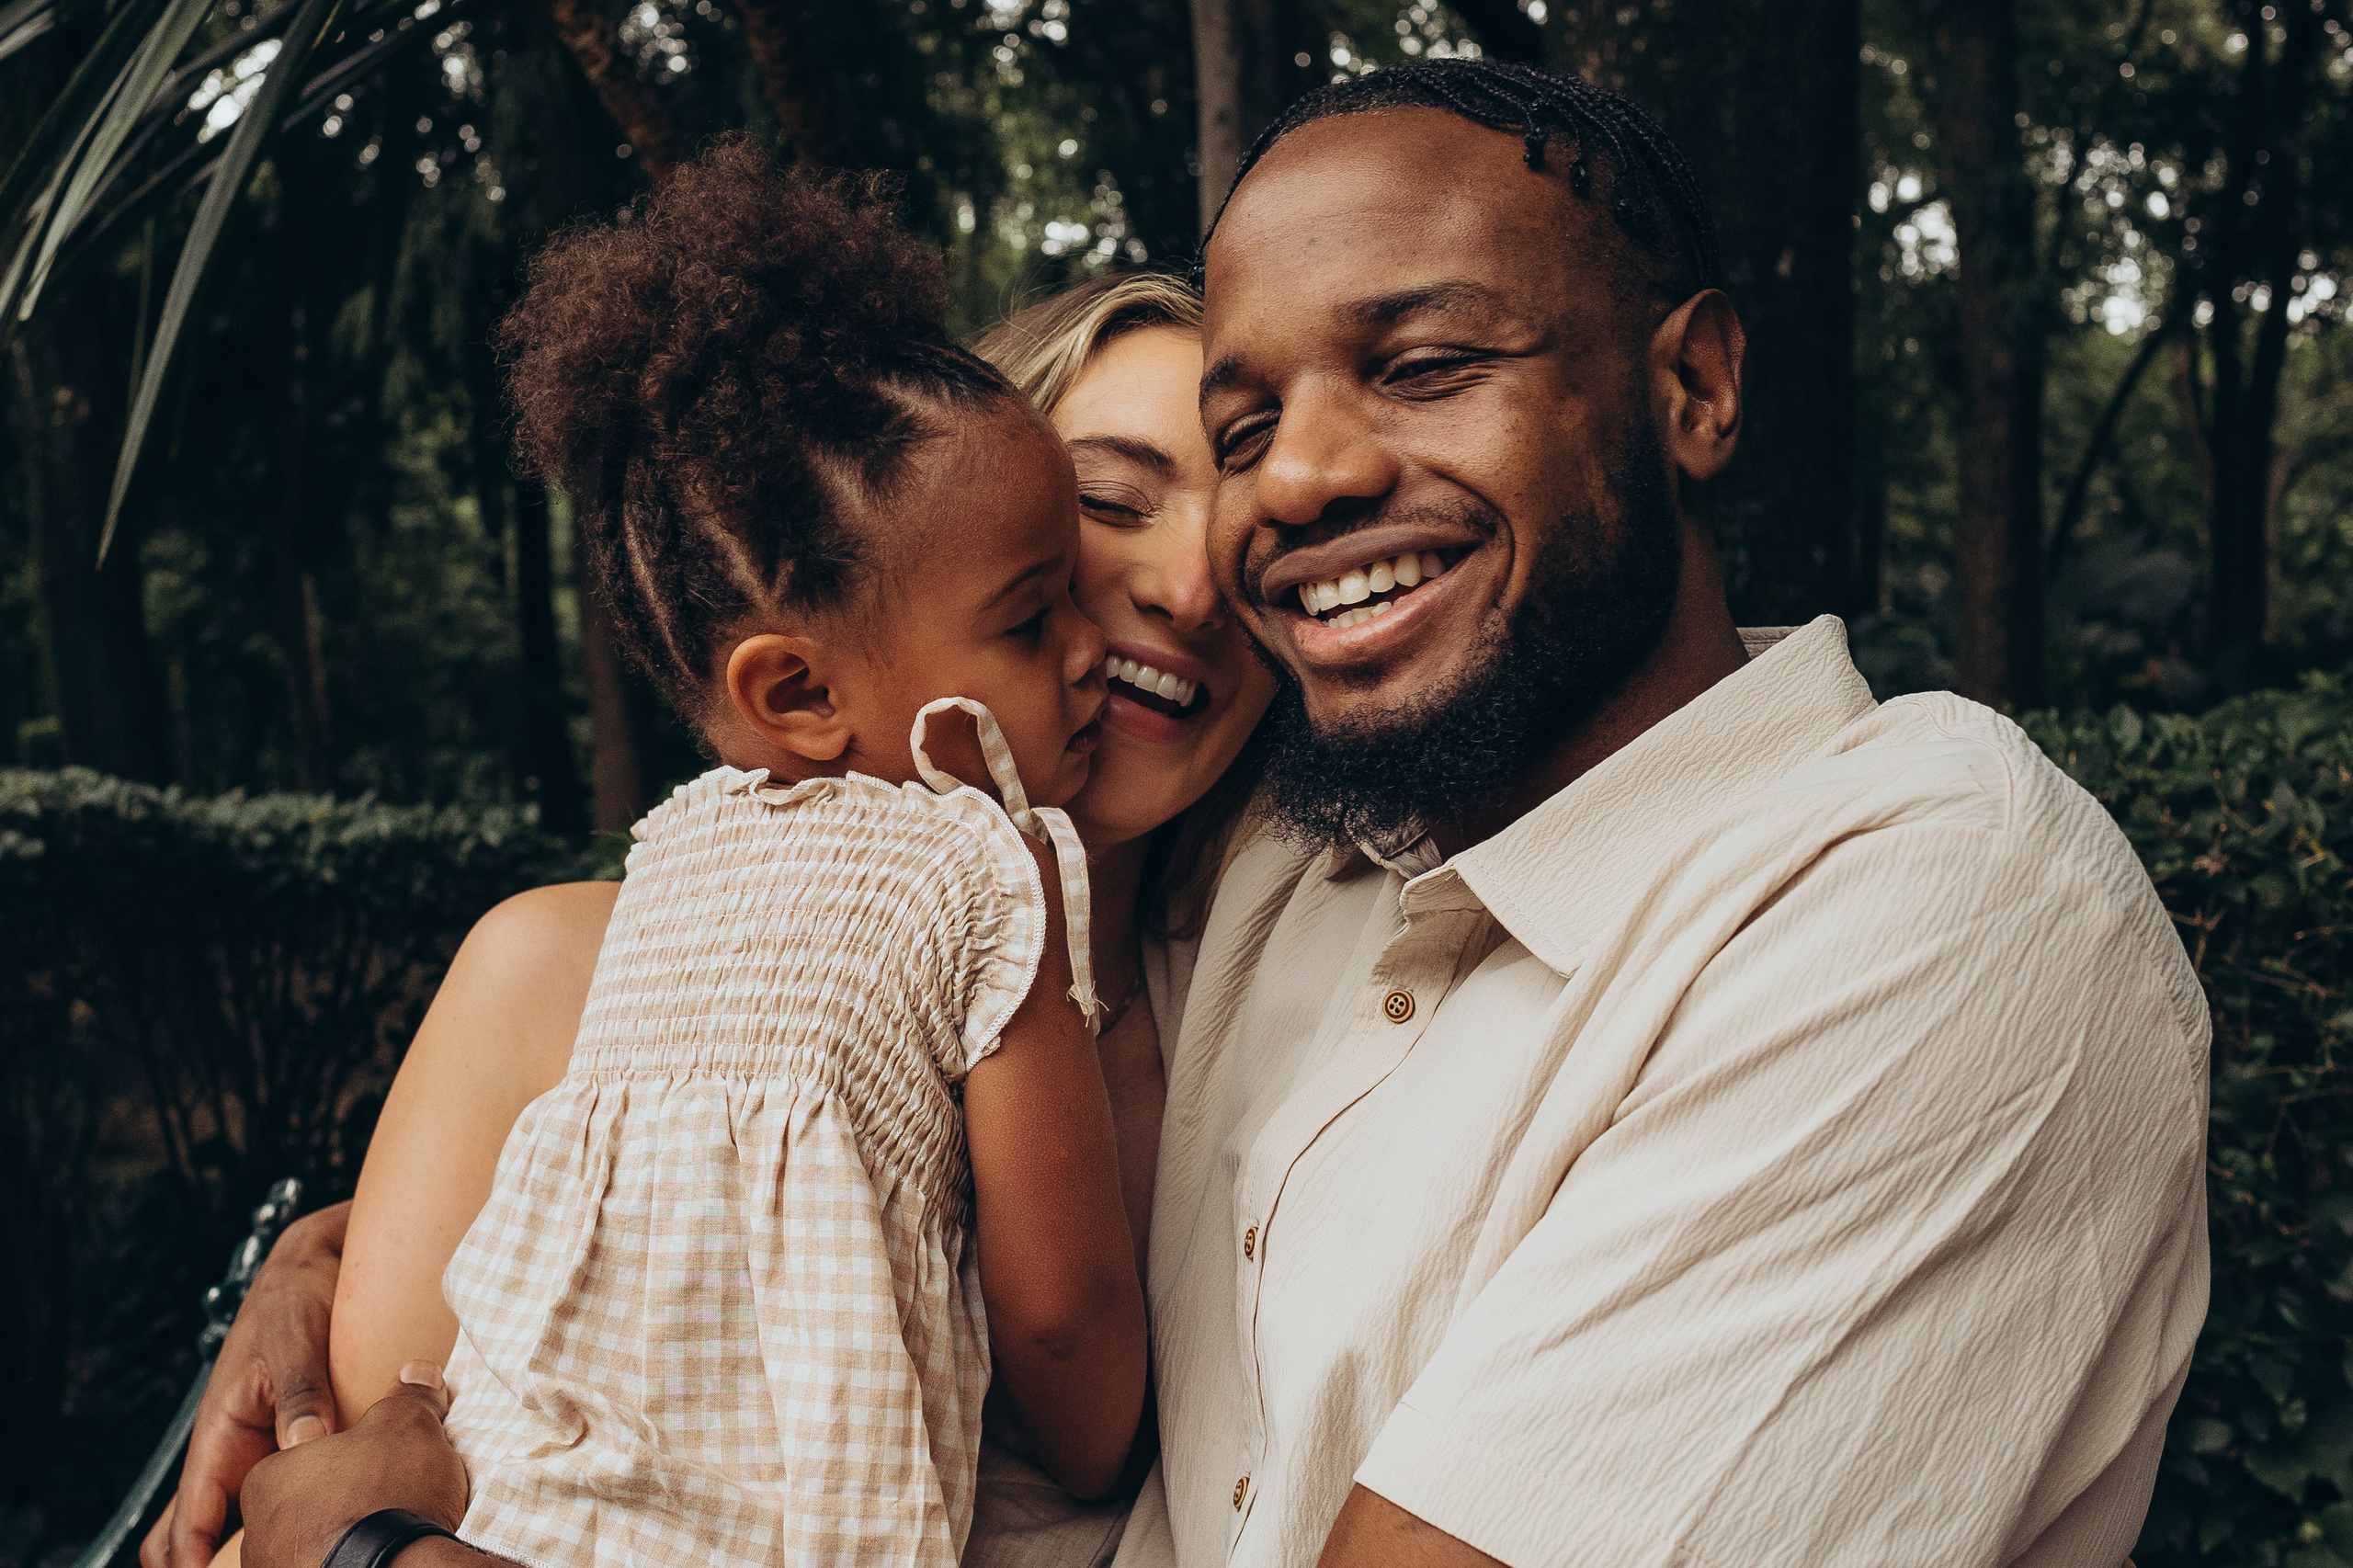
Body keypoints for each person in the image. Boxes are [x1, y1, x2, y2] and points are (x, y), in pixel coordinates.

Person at [194, 58, 2214, 1568]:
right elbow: (752, 1141)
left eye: (1422, 362)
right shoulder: (1287, 882)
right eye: (1221, 442)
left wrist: (378, 1551)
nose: (1280, 496)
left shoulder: (1917, 901)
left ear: (1691, 389)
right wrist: (341, 1265)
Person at [146, 260, 1272, 1568]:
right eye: (1106, 506)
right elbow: (344, 1476)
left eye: (1246, 525)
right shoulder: (560, 969)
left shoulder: (1298, 997)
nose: (1189, 587)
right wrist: (322, 1294)